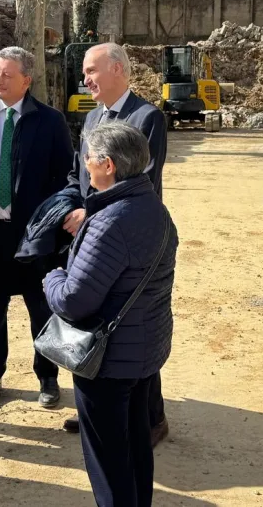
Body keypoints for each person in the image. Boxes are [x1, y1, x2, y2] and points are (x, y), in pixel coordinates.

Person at [44, 122, 177, 507]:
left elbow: (72, 300)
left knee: (108, 460)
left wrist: (52, 277)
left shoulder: (109, 222)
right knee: (136, 446)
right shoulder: (153, 207)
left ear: (107, 165)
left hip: (106, 361)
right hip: (142, 352)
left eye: (88, 157)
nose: (84, 164)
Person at [59, 43, 171, 444]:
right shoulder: (91, 117)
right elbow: (80, 176)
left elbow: (145, 183)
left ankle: (152, 418)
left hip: (127, 235)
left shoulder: (146, 117)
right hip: (92, 233)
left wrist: (93, 214)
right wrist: (72, 208)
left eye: (92, 70)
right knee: (97, 322)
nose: (85, 79)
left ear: (118, 71)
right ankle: (97, 410)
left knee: (131, 324)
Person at [0, 46, 75, 409]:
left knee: (41, 307)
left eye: (7, 74)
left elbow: (65, 177)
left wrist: (49, 222)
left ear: (27, 80)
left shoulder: (50, 121)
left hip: (33, 238)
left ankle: (47, 376)